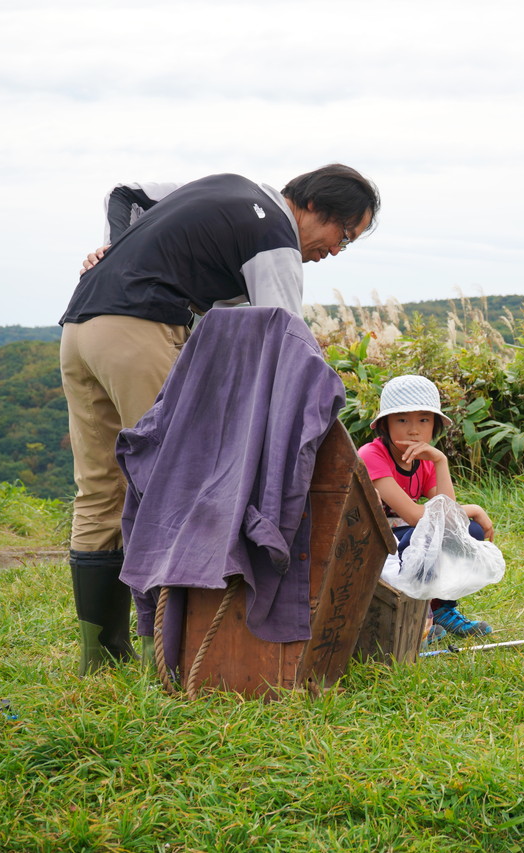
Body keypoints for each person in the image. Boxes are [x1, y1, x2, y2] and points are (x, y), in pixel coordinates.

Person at [59, 164, 380, 675]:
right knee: (175, 488)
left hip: (81, 329)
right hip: (141, 331)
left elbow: (125, 193)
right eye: (343, 234)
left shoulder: (223, 188)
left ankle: (98, 658)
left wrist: (115, 247)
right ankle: (164, 656)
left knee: (100, 488)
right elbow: (290, 348)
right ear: (315, 207)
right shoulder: (275, 235)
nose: (337, 250)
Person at [357, 374, 496, 638]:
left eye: (423, 419)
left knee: (469, 532)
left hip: (403, 534)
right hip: (373, 540)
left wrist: (441, 461)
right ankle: (417, 621)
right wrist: (474, 508)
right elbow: (415, 516)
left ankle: (441, 609)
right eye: (402, 420)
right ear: (384, 425)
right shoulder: (372, 455)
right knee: (430, 534)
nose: (413, 429)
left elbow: (448, 517)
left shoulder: (426, 459)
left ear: (435, 425)